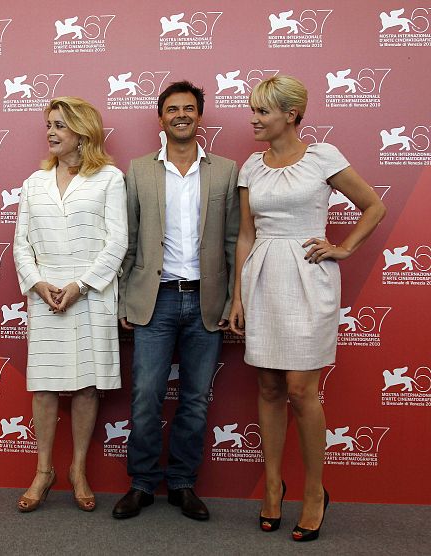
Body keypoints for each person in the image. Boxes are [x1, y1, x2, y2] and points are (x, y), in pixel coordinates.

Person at [228, 75, 386, 541]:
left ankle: (314, 491)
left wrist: (344, 248)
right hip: (263, 276)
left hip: (308, 274)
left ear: (291, 115)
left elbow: (372, 206)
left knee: (301, 389)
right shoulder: (251, 167)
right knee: (269, 385)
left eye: (262, 111)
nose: (253, 118)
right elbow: (245, 234)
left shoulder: (324, 157)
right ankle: (273, 487)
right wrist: (238, 295)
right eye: (253, 110)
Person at [112, 81, 239, 521]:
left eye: (189, 108)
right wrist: (122, 299)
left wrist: (232, 301)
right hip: (155, 300)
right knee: (146, 395)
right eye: (172, 109)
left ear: (199, 117)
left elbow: (233, 241)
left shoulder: (225, 170)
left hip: (207, 300)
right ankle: (143, 484)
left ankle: (183, 484)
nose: (181, 115)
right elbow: (127, 241)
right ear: (160, 118)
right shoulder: (139, 170)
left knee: (195, 398)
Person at [12, 96, 128, 513]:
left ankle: (78, 469)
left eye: (59, 125)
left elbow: (118, 242)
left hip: (90, 295)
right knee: (43, 386)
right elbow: (21, 244)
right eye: (49, 124)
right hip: (45, 296)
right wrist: (39, 283)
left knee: (84, 386)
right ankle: (44, 472)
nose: (51, 132)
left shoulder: (109, 179)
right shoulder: (33, 183)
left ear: (82, 131)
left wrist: (81, 284)